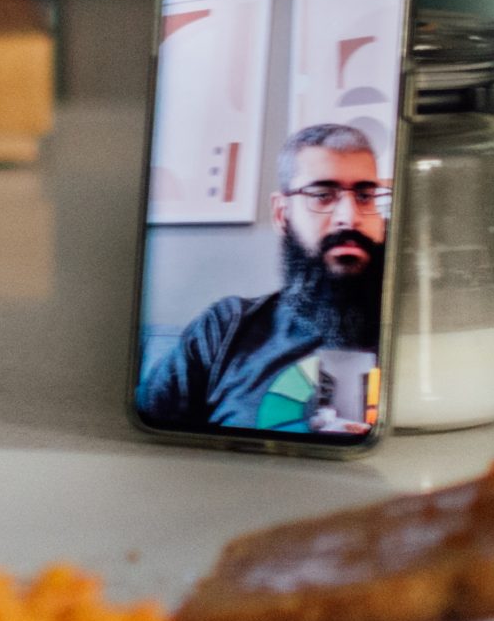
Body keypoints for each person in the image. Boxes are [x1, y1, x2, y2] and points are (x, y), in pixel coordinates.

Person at [136, 124, 388, 435]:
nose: (349, 216)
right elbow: (138, 439)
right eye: (323, 195)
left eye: (365, 195)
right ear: (282, 214)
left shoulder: (417, 335)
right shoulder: (224, 329)